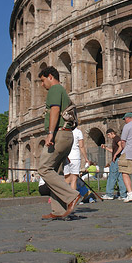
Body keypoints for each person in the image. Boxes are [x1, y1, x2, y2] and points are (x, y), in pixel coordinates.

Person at [37, 66, 81, 220]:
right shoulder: (62, 91)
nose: (42, 85)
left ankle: (72, 196)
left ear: (50, 76)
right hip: (67, 135)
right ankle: (58, 211)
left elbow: (55, 110)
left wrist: (50, 134)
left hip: (59, 134)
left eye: (42, 81)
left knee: (44, 169)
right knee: (55, 173)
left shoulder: (55, 89)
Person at [101, 128, 127, 200]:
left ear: (112, 133)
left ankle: (109, 194)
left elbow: (121, 146)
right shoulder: (115, 139)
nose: (108, 136)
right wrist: (106, 148)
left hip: (116, 160)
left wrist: (115, 155)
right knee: (120, 177)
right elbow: (113, 150)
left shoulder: (116, 138)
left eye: (108, 135)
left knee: (112, 177)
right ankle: (123, 194)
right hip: (117, 159)